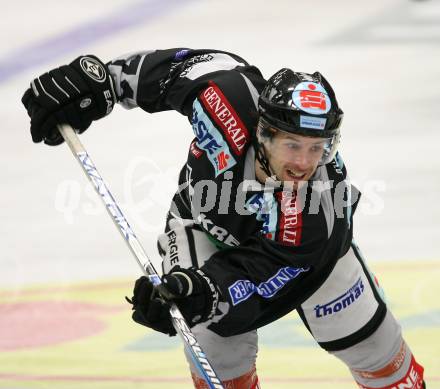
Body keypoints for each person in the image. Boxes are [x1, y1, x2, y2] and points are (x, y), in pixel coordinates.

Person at [22, 48, 426, 389]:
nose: (305, 163)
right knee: (218, 356)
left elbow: (263, 273)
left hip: (303, 264)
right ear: (263, 133)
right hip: (202, 226)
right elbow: (165, 74)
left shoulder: (323, 206)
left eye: (317, 147)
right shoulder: (225, 94)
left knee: (374, 348)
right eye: (292, 144)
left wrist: (205, 291)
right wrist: (97, 82)